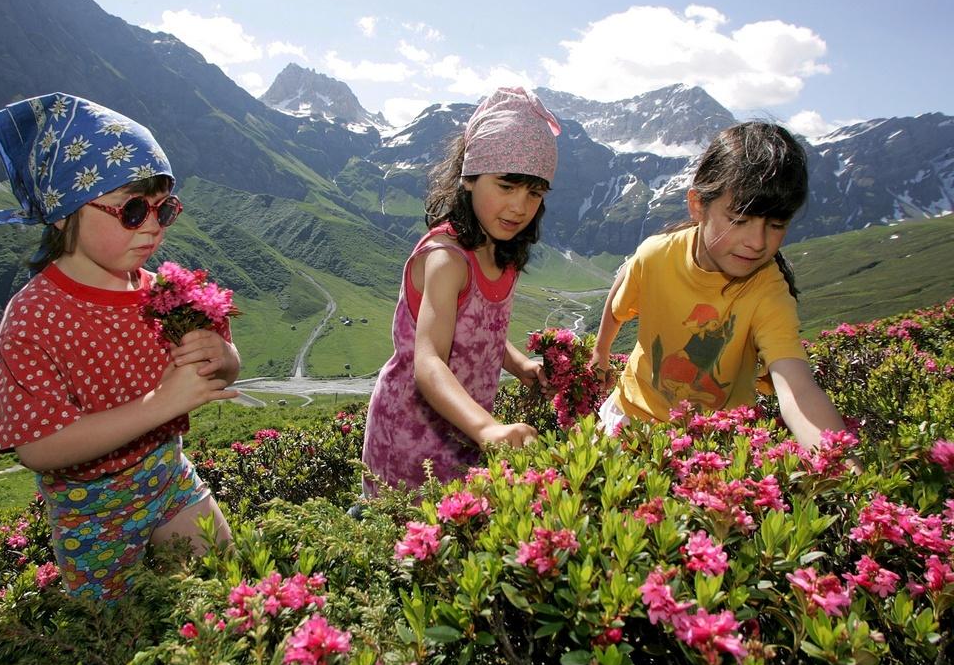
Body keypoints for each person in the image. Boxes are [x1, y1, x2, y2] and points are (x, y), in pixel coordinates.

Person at [0, 93, 238, 601]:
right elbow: (39, 447)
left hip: (169, 475)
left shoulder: (166, 291)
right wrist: (160, 405)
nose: (153, 227)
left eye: (166, 210)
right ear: (62, 213)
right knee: (117, 633)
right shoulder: (34, 316)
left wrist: (224, 360)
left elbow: (219, 370)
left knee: (220, 581)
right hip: (90, 508)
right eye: (133, 210)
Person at [589, 121, 845, 450]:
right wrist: (601, 351)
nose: (757, 242)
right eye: (739, 220)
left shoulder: (768, 289)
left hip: (711, 443)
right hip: (632, 417)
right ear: (698, 205)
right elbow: (624, 285)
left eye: (776, 224)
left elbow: (798, 388)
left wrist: (840, 466)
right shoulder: (656, 255)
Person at [362, 87, 560, 495]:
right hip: (409, 435)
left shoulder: (501, 254)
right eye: (507, 186)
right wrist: (487, 427)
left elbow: (480, 335)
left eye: (534, 193)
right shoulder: (447, 260)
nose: (520, 207)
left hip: (466, 429)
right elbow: (429, 359)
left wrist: (521, 366)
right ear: (469, 178)